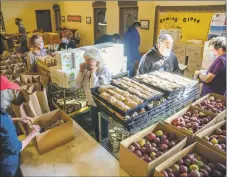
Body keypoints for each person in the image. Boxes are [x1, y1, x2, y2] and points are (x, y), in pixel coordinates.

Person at [0, 75, 41, 177]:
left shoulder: (4, 118)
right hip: (8, 165)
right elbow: (16, 148)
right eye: (8, 91)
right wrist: (32, 134)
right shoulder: (4, 122)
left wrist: (19, 119)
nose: (10, 94)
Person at [76, 48, 111, 142]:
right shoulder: (87, 69)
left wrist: (93, 74)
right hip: (92, 102)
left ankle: (104, 143)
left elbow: (94, 90)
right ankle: (97, 141)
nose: (88, 62)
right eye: (86, 59)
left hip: (102, 104)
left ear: (97, 60)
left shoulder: (104, 71)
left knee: (103, 127)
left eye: (90, 59)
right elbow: (79, 85)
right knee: (95, 125)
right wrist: (81, 71)